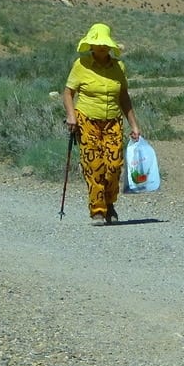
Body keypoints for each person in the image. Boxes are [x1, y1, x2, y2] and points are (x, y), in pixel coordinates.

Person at [62, 23, 141, 225]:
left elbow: (124, 96)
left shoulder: (118, 67)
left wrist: (134, 125)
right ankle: (98, 210)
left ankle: (110, 202)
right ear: (90, 45)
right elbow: (68, 93)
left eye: (105, 45)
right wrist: (71, 116)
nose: (101, 48)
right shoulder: (81, 65)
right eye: (97, 44)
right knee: (94, 165)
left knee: (114, 166)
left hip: (113, 121)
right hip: (87, 120)